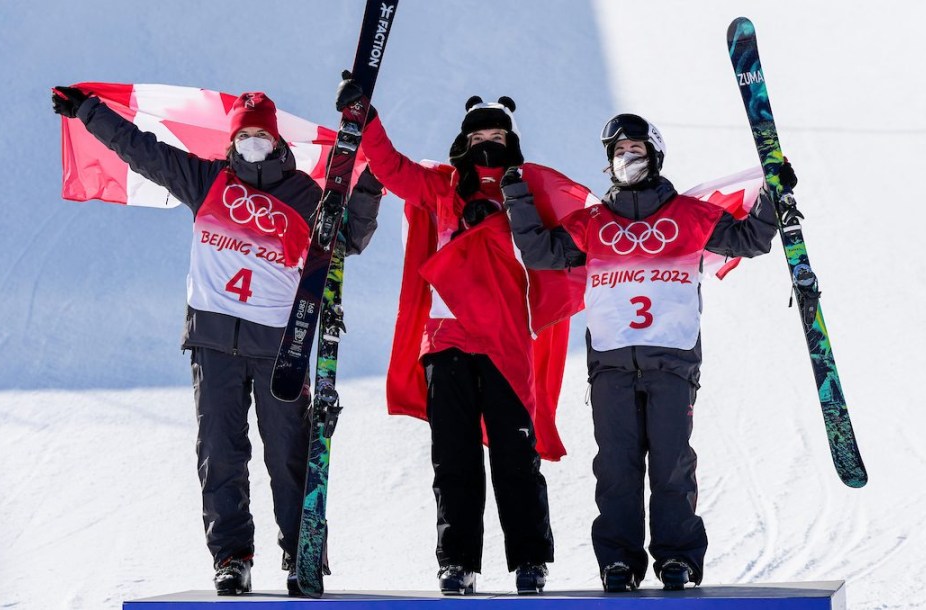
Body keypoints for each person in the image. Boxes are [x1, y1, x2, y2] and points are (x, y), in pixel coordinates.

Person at [51, 86, 384, 596]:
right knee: (220, 453)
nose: (253, 142)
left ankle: (302, 552)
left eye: (260, 134)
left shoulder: (303, 195)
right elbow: (142, 150)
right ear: (233, 139)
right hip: (212, 342)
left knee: (288, 452)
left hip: (280, 347)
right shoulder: (207, 179)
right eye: (244, 134)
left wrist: (368, 187)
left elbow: (348, 241)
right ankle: (232, 557)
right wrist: (88, 112)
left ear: (276, 139)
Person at [503, 113, 793, 592]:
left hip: (672, 361)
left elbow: (750, 239)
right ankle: (619, 560)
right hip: (611, 364)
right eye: (618, 154)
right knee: (616, 467)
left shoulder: (689, 215)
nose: (626, 160)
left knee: (672, 463)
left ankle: (677, 557)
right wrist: (516, 194)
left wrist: (773, 196)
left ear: (654, 156)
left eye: (635, 151)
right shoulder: (592, 221)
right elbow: (539, 253)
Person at [334, 75, 577, 595]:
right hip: (445, 342)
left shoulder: (529, 191)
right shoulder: (442, 185)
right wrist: (365, 118)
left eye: (495, 136)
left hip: (508, 345)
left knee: (516, 457)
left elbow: (576, 231)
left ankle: (530, 560)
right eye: (476, 138)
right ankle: (457, 562)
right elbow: (392, 168)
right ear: (463, 143)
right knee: (454, 461)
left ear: (510, 140)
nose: (486, 144)